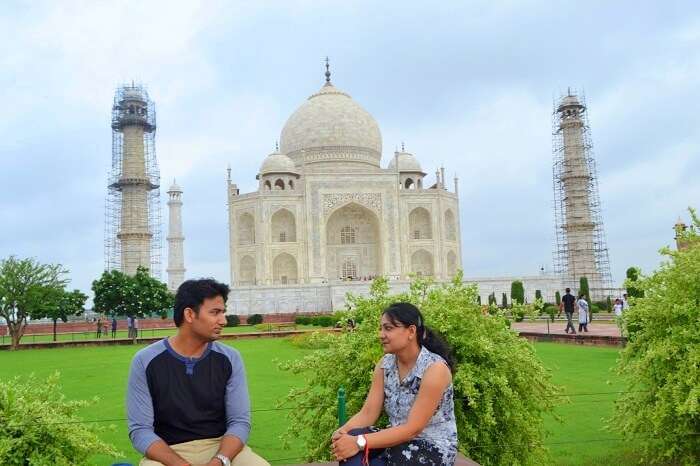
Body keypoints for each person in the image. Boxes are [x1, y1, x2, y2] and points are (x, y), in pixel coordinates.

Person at [126, 278, 269, 466]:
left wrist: (220, 460)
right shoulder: (145, 361)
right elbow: (140, 430)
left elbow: (239, 421)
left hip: (222, 448)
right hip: (168, 452)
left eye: (223, 312)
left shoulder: (230, 358)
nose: (223, 320)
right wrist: (180, 464)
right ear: (190, 314)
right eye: (215, 312)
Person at [330, 302, 457, 465]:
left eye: (388, 328)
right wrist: (343, 432)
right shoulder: (385, 365)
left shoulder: (434, 369)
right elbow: (368, 413)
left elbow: (413, 429)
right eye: (381, 328)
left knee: (359, 447)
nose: (381, 335)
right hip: (397, 442)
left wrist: (359, 442)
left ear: (411, 331)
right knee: (351, 443)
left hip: (430, 449)